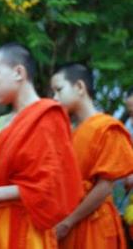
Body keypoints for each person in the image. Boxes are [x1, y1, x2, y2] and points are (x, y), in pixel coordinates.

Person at [0, 43, 83, 248]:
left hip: (29, 229)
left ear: (18, 72)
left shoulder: (48, 116)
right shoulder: (4, 122)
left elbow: (51, 185)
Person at [51, 63, 133, 248]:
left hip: (94, 221)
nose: (55, 98)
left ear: (79, 87)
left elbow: (104, 187)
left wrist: (69, 221)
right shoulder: (70, 132)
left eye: (59, 90)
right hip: (68, 222)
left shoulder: (107, 128)